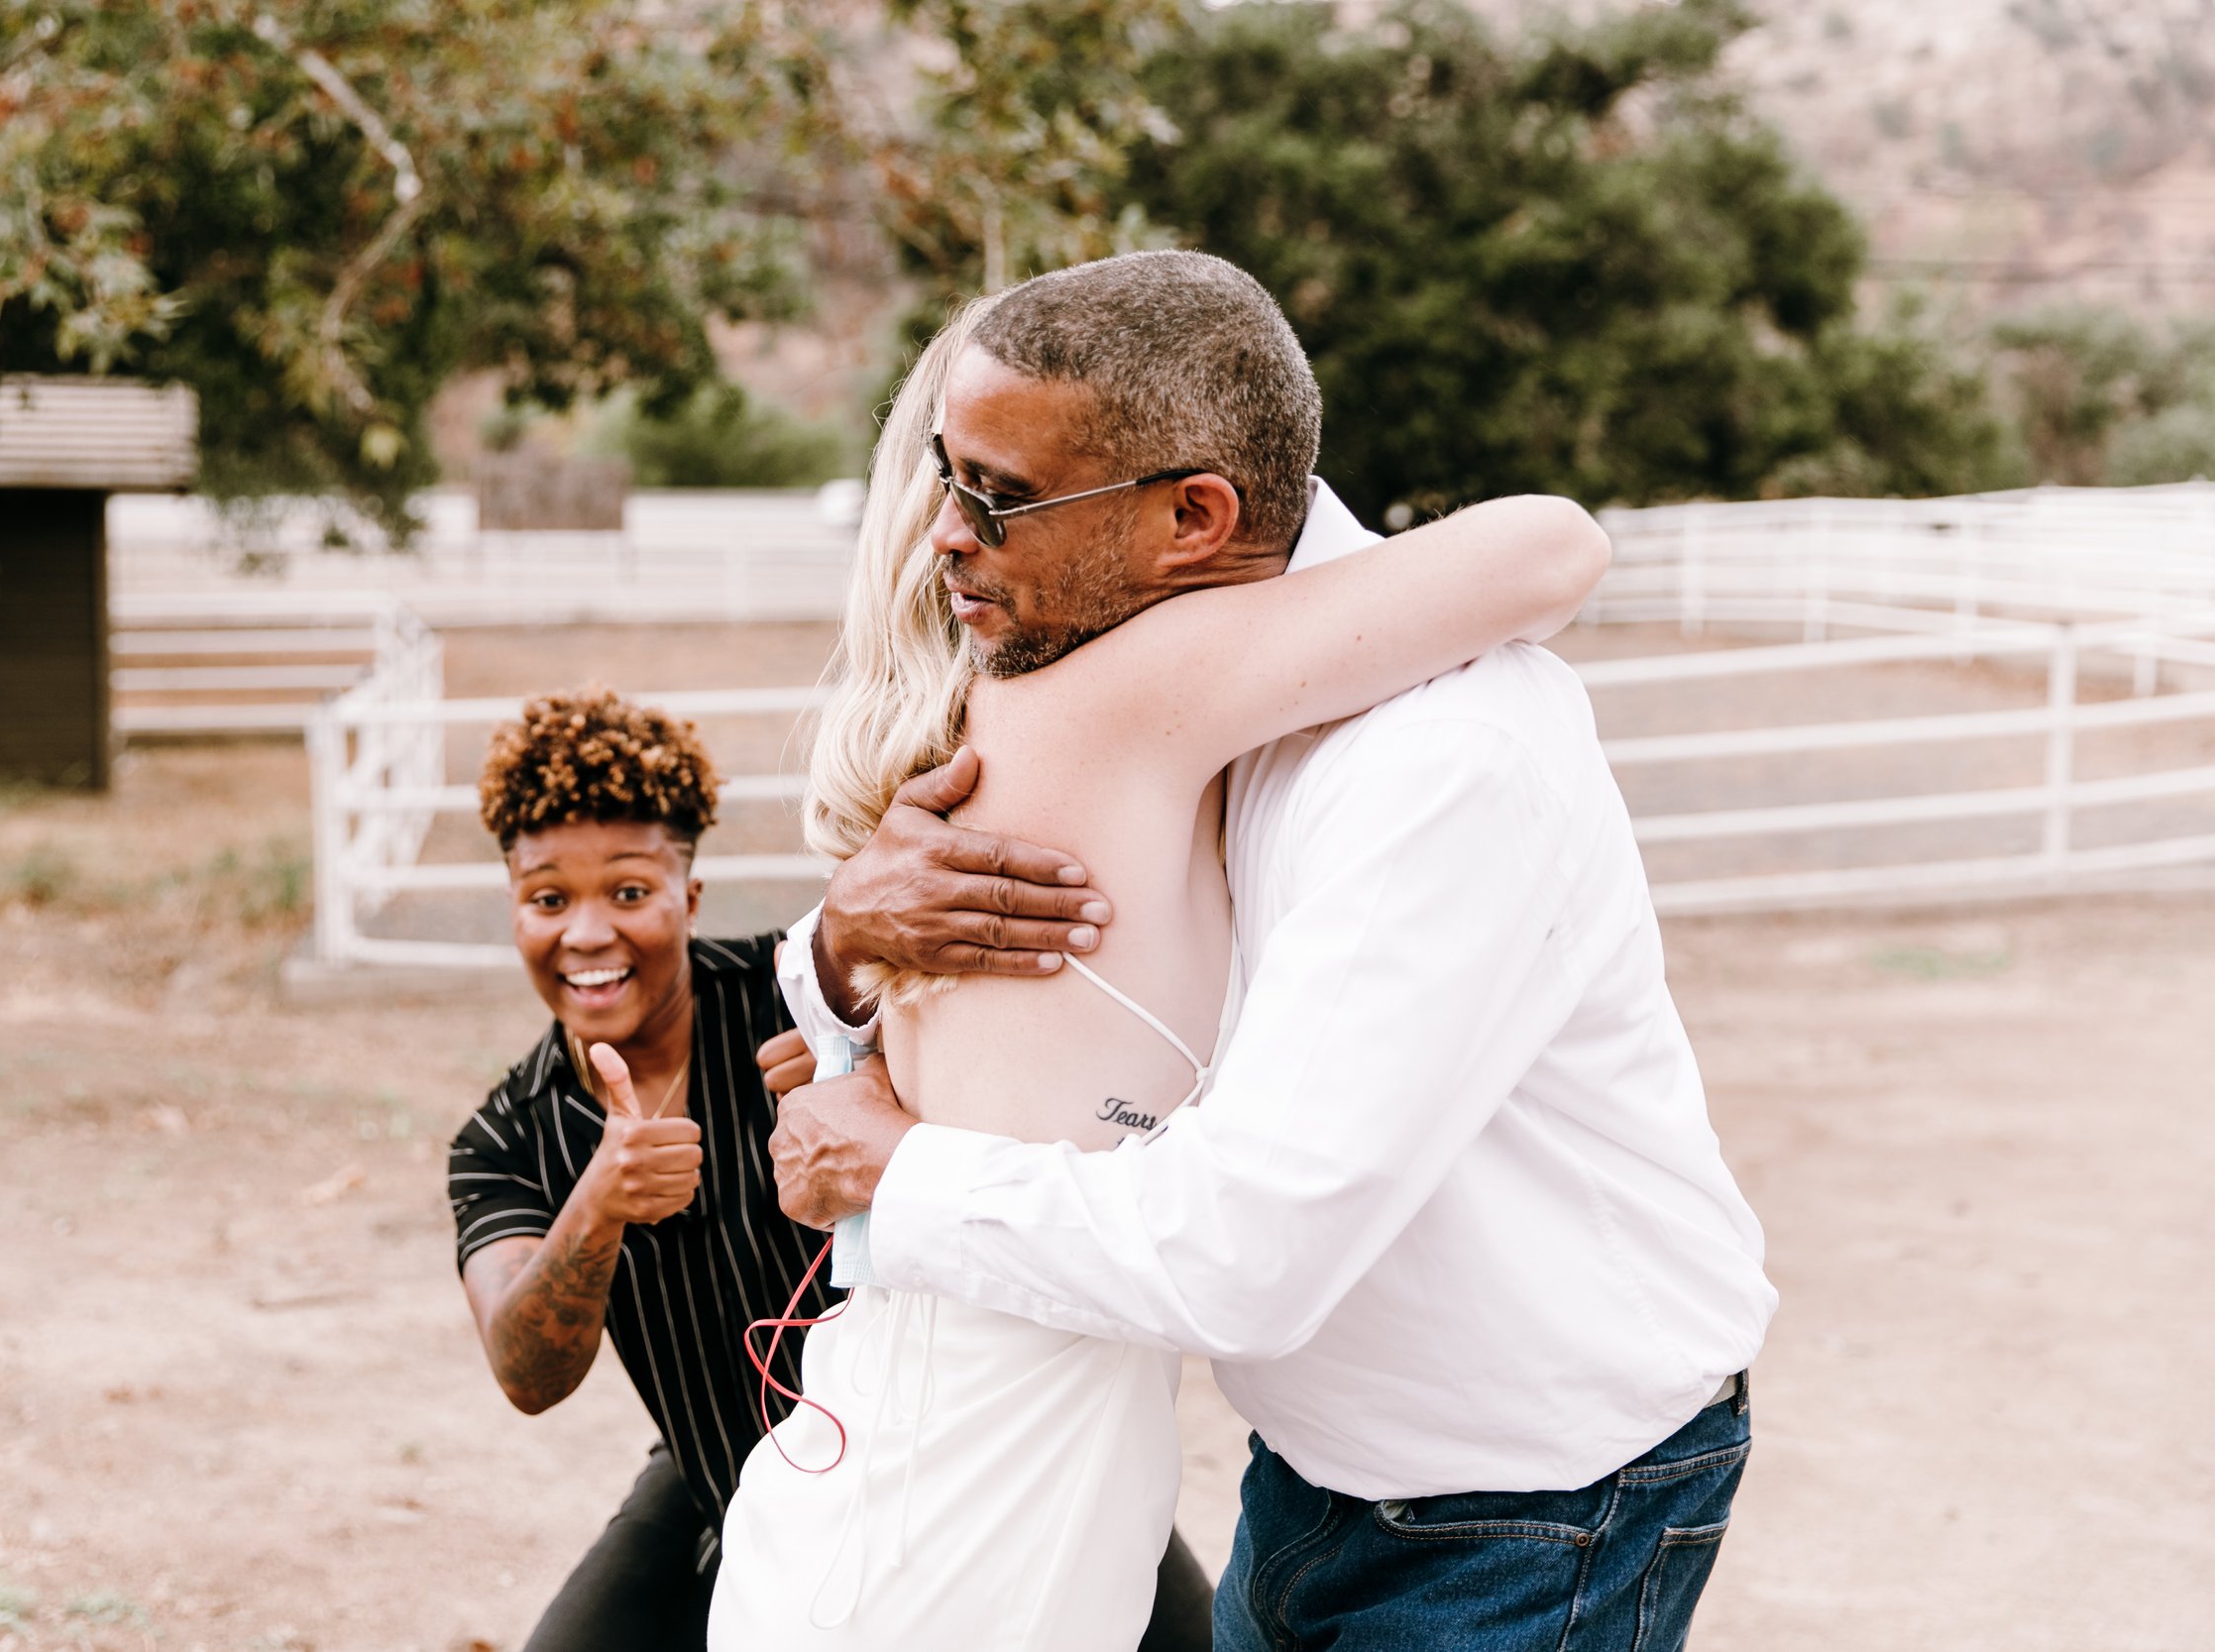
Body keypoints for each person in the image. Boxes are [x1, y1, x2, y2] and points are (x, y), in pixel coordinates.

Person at [764, 250, 1778, 1652]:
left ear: (1194, 514)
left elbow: (1249, 1248)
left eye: (996, 499)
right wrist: (835, 948)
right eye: (946, 472)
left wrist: (897, 1169)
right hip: (1317, 1462)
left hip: (1534, 1490)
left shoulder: (1442, 761)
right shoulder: (1131, 674)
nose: (944, 534)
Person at [445, 687, 1216, 1652]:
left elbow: (988, 1113)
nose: (588, 932)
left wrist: (870, 1072)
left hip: (948, 1438)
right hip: (719, 1463)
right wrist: (597, 1204)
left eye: (630, 891)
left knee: (1169, 1622)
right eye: (548, 898)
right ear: (514, 906)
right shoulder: (507, 1136)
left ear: (688, 892)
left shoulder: (800, 1003)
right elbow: (526, 1370)